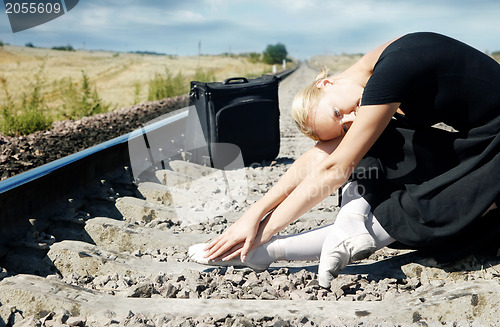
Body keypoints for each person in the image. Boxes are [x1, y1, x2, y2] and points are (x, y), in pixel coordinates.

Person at [188, 32, 500, 288]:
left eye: (338, 112)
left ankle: (269, 249)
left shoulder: (391, 71)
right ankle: (348, 222)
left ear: (326, 83)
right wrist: (253, 215)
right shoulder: (370, 81)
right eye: (343, 121)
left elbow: (335, 168)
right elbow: (318, 158)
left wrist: (264, 232)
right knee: (366, 142)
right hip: (482, 141)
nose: (351, 116)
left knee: (427, 199)